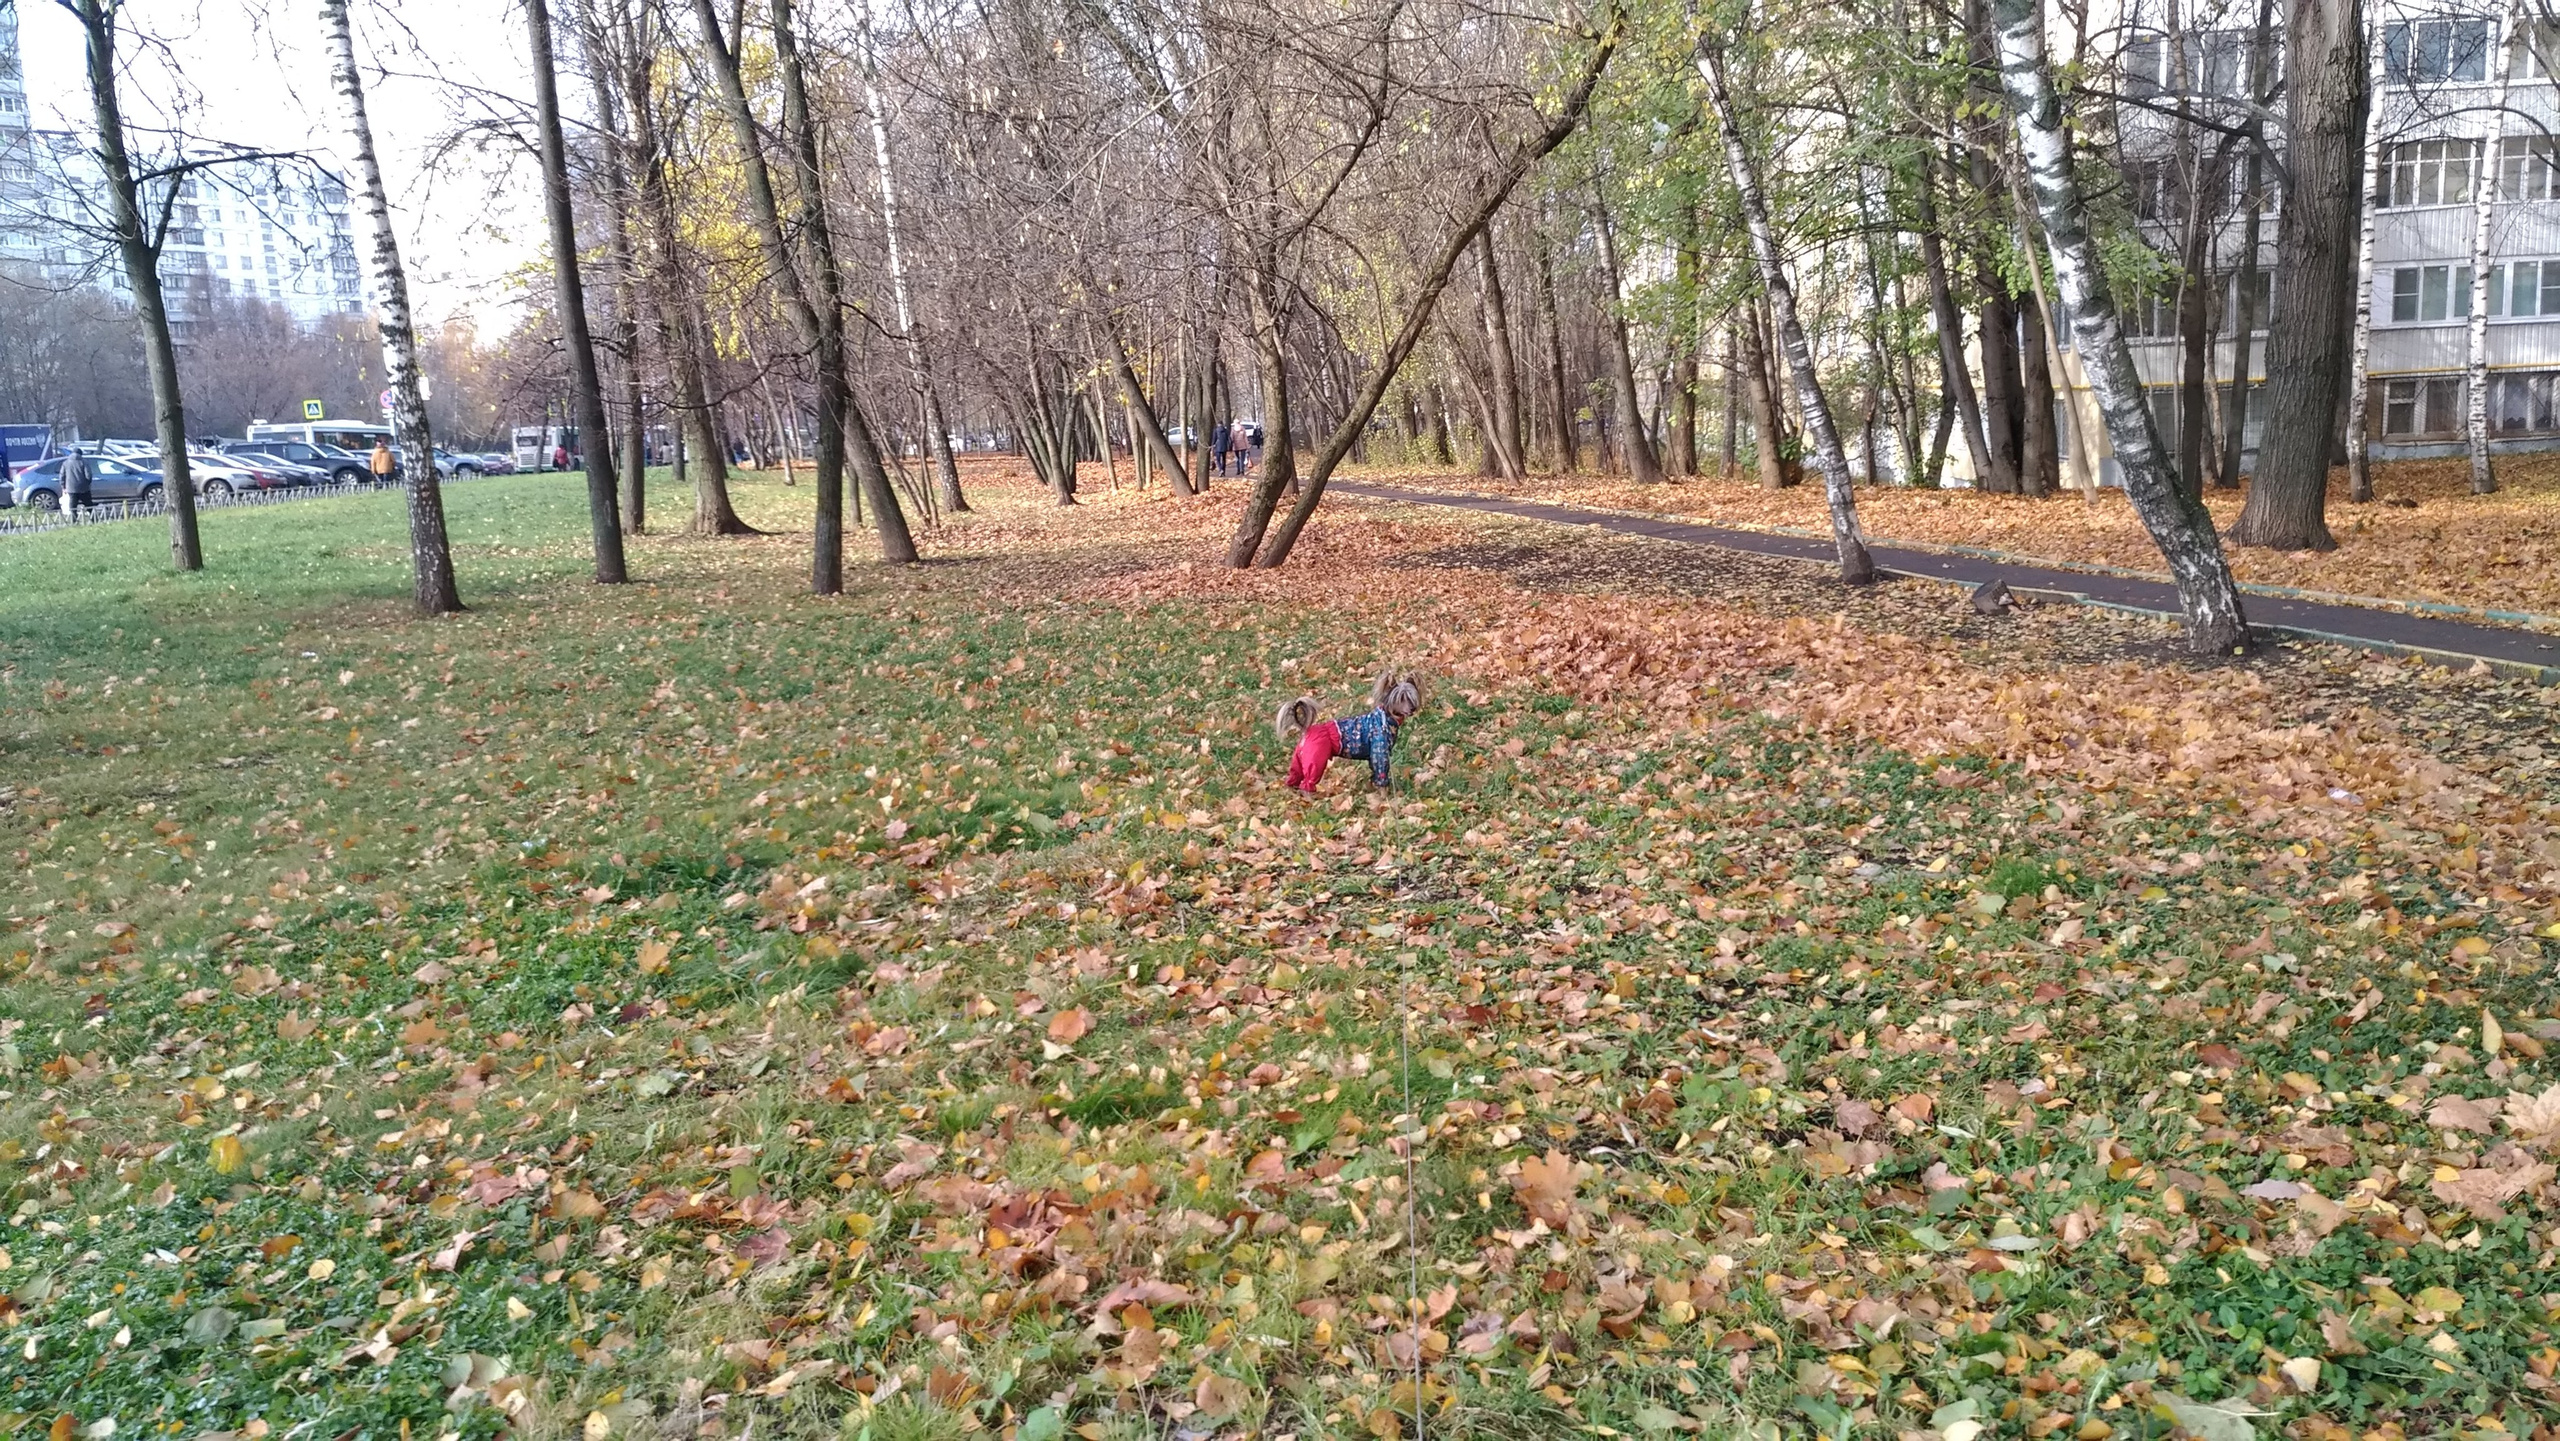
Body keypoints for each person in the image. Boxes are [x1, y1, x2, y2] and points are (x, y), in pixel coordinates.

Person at [1272, 670, 1424, 793]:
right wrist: (1382, 786)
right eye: (1402, 701)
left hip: (1321, 737)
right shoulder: (1381, 730)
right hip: (1324, 740)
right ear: (1388, 698)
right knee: (1312, 770)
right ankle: (1305, 794)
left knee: (1302, 760)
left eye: (1411, 701)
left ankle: (1292, 789)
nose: (1409, 706)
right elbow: (1379, 759)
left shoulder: (1383, 725)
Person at [58, 448, 91, 514]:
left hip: (71, 487)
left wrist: (63, 486)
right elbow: (88, 475)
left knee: (73, 505)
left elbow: (62, 476)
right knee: (88, 504)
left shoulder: (66, 463)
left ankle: (74, 520)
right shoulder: (83, 462)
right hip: (83, 487)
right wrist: (87, 483)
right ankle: (94, 519)